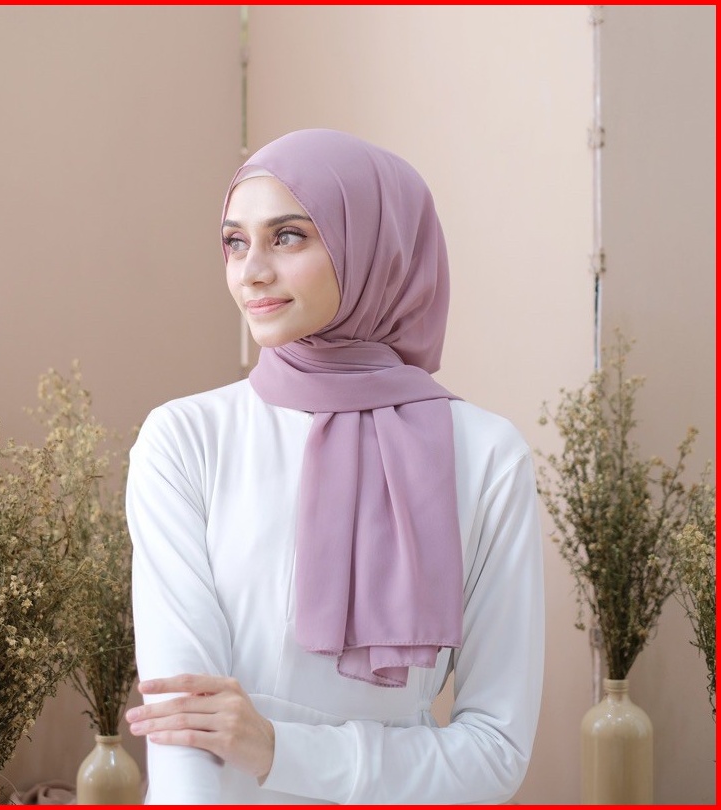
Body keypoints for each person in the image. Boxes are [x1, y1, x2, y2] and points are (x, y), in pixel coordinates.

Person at [124, 129, 544, 804]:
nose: (252, 271)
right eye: (235, 242)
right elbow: (183, 725)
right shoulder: (186, 439)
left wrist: (279, 750)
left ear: (376, 248)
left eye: (288, 236)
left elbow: (496, 752)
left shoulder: (488, 455)